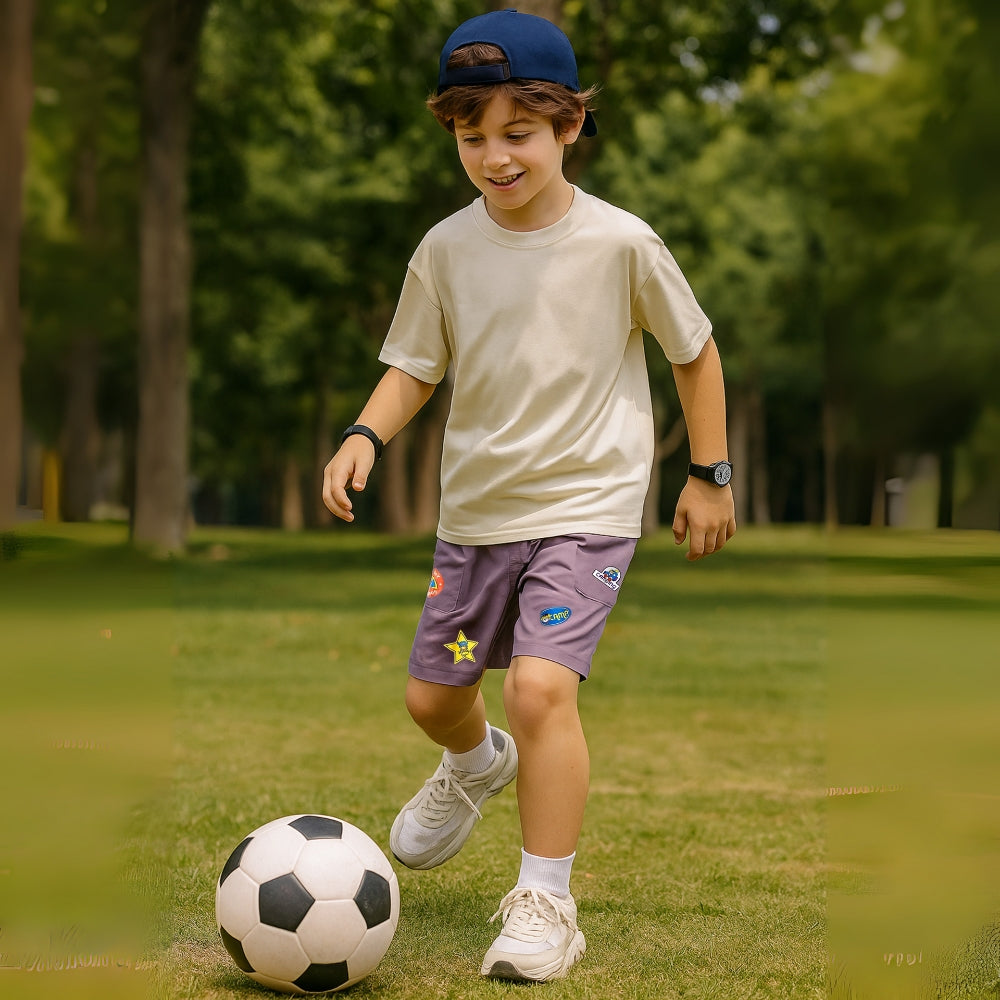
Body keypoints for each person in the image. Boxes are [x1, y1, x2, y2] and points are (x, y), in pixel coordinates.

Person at [322, 8, 736, 982]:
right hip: (477, 519)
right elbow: (413, 366)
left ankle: (545, 897)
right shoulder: (446, 250)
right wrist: (362, 434)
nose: (495, 157)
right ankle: (473, 763)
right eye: (474, 137)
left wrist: (708, 474)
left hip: (586, 510)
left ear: (568, 127)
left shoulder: (620, 244)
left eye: (518, 133)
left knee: (540, 686)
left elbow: (694, 351)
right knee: (434, 697)